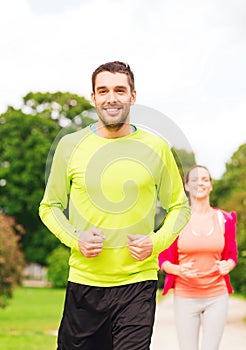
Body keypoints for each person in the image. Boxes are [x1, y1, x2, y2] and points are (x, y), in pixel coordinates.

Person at [39, 61, 190, 350]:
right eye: (103, 90)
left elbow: (180, 207)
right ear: (93, 97)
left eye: (120, 90)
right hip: (85, 283)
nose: (112, 97)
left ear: (132, 96)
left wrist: (155, 243)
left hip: (137, 282)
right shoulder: (70, 145)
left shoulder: (156, 146)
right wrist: (75, 238)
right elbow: (50, 206)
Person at [158, 165, 238, 350]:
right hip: (185, 295)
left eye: (204, 179)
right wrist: (177, 270)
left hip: (217, 295)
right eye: (194, 179)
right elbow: (162, 259)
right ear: (186, 186)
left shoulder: (224, 219)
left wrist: (229, 265)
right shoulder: (176, 219)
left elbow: (232, 255)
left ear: (210, 185)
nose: (199, 183)